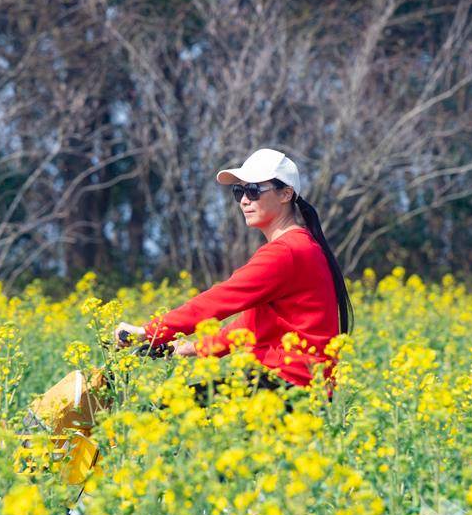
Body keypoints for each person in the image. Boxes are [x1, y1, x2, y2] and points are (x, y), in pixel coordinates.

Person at [115, 148, 352, 401]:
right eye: (239, 192)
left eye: (253, 191)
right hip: (300, 388)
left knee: (162, 414)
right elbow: (251, 325)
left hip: (289, 388)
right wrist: (188, 348)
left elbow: (218, 301)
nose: (244, 200)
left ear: (286, 194)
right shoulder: (301, 246)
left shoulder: (287, 252)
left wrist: (149, 332)